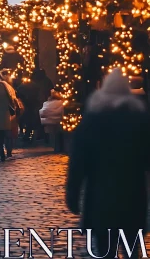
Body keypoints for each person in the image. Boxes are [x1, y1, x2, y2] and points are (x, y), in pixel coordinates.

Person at [66, 69, 150, 259]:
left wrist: (72, 194)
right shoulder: (140, 120)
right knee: (131, 248)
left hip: (100, 195)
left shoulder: (92, 120)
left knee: (105, 249)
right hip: (132, 193)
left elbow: (78, 162)